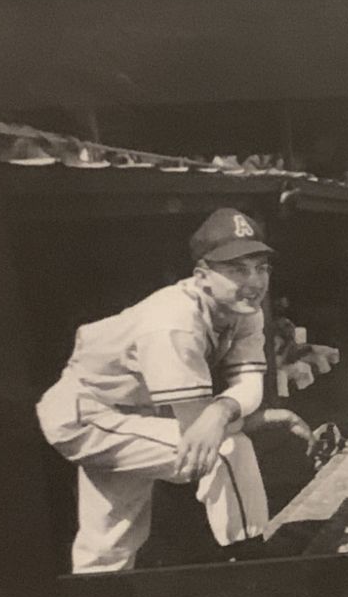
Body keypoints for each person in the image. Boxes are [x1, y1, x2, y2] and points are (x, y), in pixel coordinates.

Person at [36, 208, 280, 572]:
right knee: (227, 450)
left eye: (261, 268)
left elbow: (248, 384)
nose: (254, 281)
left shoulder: (244, 309)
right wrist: (247, 417)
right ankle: (254, 564)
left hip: (132, 413)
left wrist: (221, 410)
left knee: (110, 542)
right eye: (237, 269)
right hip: (87, 415)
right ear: (202, 277)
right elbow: (197, 429)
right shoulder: (173, 322)